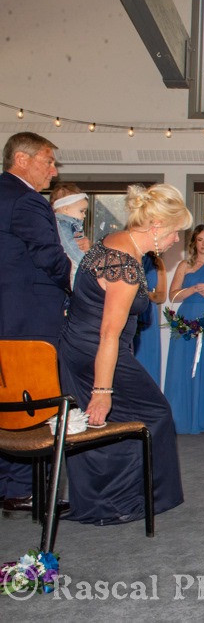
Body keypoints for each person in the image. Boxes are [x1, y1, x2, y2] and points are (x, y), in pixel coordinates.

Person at [58, 183, 191, 525]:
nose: (177, 240)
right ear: (157, 227)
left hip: (77, 348)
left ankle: (106, 502)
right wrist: (103, 391)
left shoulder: (112, 242)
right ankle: (131, 501)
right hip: (98, 352)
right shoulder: (126, 267)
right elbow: (108, 333)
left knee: (109, 423)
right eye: (176, 232)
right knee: (154, 414)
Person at [0, 132, 71, 515]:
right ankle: (22, 491)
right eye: (48, 160)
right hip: (28, 319)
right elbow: (49, 256)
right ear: (22, 159)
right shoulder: (26, 200)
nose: (53, 170)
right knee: (29, 405)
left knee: (3, 401)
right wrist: (75, 282)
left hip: (6, 318)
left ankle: (7, 486)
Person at [163, 224, 204, 434]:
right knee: (182, 366)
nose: (203, 244)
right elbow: (172, 296)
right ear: (194, 243)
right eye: (200, 240)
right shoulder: (185, 265)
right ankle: (181, 418)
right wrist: (191, 289)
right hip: (186, 321)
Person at [48, 182, 91, 287]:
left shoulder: (73, 225)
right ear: (66, 209)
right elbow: (68, 245)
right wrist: (84, 262)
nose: (84, 215)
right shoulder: (61, 224)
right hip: (73, 261)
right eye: (81, 211)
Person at [133, 252, 166, 385]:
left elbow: (161, 296)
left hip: (149, 316)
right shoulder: (128, 257)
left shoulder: (157, 262)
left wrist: (144, 294)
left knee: (149, 362)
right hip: (130, 311)